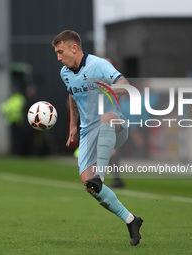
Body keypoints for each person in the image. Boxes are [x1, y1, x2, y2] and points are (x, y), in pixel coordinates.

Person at [52, 30, 143, 246]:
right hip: (87, 132)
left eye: (60, 52)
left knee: (106, 118)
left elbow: (127, 86)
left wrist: (109, 88)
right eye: (56, 53)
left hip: (115, 124)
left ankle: (100, 176)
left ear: (74, 48)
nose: (58, 57)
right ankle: (131, 220)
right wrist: (73, 126)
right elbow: (72, 94)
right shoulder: (65, 72)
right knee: (88, 186)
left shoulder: (98, 65)